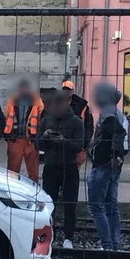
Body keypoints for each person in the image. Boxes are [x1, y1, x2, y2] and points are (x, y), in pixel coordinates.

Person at [38, 88, 84, 249]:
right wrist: (44, 138)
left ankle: (68, 237)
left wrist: (63, 141)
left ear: (68, 102)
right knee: (49, 204)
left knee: (70, 204)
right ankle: (49, 235)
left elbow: (79, 146)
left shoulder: (77, 122)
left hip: (70, 167)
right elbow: (37, 144)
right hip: (51, 167)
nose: (57, 106)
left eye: (61, 102)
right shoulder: (45, 121)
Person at [87, 82, 129, 251]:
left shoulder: (108, 113)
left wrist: (113, 155)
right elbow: (122, 138)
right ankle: (114, 243)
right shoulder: (119, 114)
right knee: (111, 206)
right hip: (113, 166)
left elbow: (119, 133)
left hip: (103, 165)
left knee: (95, 206)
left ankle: (107, 244)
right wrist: (119, 156)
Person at [3, 79, 43, 182]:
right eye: (22, 88)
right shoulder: (12, 100)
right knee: (12, 171)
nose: (24, 90)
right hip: (15, 139)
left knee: (33, 172)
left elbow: (42, 118)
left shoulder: (37, 101)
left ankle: (34, 192)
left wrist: (37, 138)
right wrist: (8, 136)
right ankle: (11, 189)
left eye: (26, 88)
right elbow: (7, 116)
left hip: (31, 140)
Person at [62, 79, 94, 166]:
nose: (65, 92)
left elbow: (89, 127)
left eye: (68, 90)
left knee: (73, 172)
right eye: (64, 90)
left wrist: (83, 145)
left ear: (72, 91)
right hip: (60, 146)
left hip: (77, 145)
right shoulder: (57, 104)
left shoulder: (82, 106)